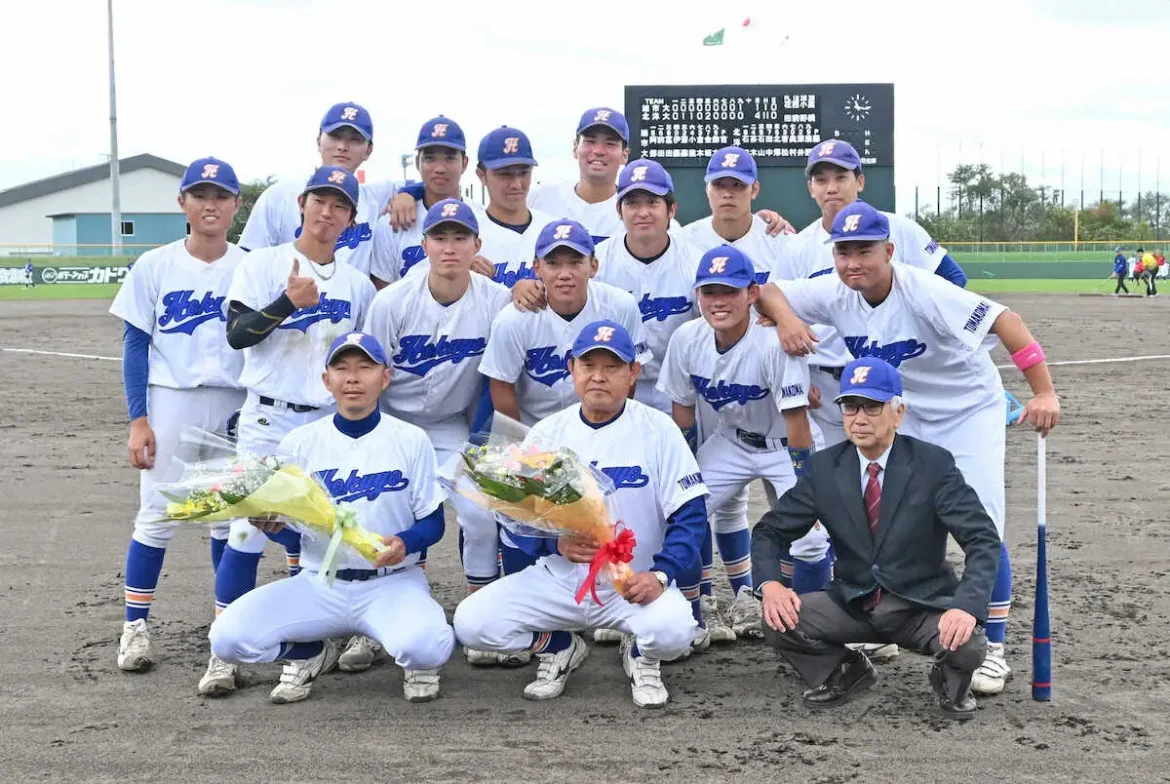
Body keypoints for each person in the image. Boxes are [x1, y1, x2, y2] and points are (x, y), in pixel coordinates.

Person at [757, 201, 1061, 696]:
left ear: (890, 250)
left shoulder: (924, 291)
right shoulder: (835, 291)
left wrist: (1043, 391)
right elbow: (766, 290)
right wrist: (788, 319)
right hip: (904, 411)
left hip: (966, 410)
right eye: (843, 251)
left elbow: (1008, 321)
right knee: (888, 508)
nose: (853, 261)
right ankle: (885, 611)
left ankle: (994, 649)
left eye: (864, 251)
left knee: (982, 518)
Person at [453, 321, 708, 708]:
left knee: (676, 631)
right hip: (563, 580)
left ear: (633, 373)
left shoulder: (659, 430)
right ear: (571, 369)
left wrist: (659, 575)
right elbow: (518, 520)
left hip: (631, 583)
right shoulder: (547, 432)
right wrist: (553, 540)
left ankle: (641, 654)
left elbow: (691, 515)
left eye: (613, 367)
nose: (599, 377)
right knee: (472, 623)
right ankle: (558, 647)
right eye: (588, 366)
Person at [208, 332, 454, 704]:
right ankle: (309, 654)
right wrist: (274, 529)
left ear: (384, 378)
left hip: (392, 582)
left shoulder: (411, 439)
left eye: (364, 368)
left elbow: (433, 523)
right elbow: (297, 537)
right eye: (341, 368)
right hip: (319, 583)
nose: (352, 378)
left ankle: (417, 662)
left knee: (425, 647)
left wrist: (404, 543)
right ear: (327, 381)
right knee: (227, 638)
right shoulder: (300, 443)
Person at [751, 356, 1002, 720]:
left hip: (921, 605)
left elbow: (983, 540)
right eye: (851, 406)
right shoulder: (824, 469)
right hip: (853, 603)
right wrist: (771, 584)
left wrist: (965, 605)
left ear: (898, 413)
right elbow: (770, 531)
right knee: (778, 619)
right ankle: (845, 670)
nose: (860, 417)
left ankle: (948, 680)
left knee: (967, 644)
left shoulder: (934, 465)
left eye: (872, 406)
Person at [212, 165, 377, 699]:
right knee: (247, 530)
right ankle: (223, 653)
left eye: (340, 205)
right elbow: (238, 335)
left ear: (351, 218)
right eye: (320, 201)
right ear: (302, 204)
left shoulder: (354, 283)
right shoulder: (261, 265)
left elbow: (364, 360)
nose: (328, 212)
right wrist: (286, 303)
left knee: (324, 533)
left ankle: (311, 646)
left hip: (326, 422)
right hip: (268, 417)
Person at [108, 157, 247, 676]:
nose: (210, 204)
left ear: (236, 205)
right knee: (157, 515)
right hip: (173, 398)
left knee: (227, 520)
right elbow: (134, 345)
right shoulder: (155, 265)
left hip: (234, 402)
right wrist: (138, 419)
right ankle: (135, 627)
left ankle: (224, 639)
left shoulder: (249, 265)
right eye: (200, 194)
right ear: (183, 203)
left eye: (221, 195)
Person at [363, 199, 513, 664]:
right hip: (392, 421)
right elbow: (369, 374)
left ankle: (478, 611)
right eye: (440, 237)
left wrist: (482, 449)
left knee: (479, 511)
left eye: (460, 237)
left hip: (452, 425)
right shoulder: (392, 302)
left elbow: (499, 377)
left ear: (477, 245)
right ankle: (371, 619)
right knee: (380, 514)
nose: (450, 247)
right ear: (424, 244)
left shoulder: (496, 300)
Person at [657, 246, 830, 644]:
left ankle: (811, 627)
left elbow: (798, 421)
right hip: (731, 443)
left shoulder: (773, 342)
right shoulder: (687, 339)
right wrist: (683, 474)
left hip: (788, 446)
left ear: (752, 294)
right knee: (680, 511)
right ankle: (691, 615)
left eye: (730, 291)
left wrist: (809, 493)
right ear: (698, 295)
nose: (719, 301)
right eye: (710, 291)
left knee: (809, 537)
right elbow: (682, 412)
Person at [785, 139, 967, 450]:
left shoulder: (900, 229)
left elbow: (952, 280)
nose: (831, 188)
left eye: (841, 177)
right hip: (826, 385)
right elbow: (774, 305)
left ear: (860, 182)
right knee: (841, 483)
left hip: (890, 377)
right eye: (821, 180)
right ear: (811, 189)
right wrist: (797, 379)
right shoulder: (797, 247)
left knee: (900, 476)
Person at [480, 219, 648, 427]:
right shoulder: (513, 318)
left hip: (602, 422)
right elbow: (501, 383)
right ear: (537, 268)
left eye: (575, 262)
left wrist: (609, 430)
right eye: (553, 263)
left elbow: (628, 376)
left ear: (593, 266)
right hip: (535, 428)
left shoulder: (620, 306)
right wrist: (521, 447)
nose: (564, 274)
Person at [237, 102, 396, 276]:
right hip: (286, 298)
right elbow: (249, 261)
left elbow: (426, 187)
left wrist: (408, 194)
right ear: (319, 141)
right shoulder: (279, 195)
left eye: (355, 139)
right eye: (335, 136)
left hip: (348, 301)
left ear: (369, 150)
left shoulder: (377, 196)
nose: (342, 146)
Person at [370, 116, 470, 286]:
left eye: (450, 158)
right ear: (417, 162)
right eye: (430, 158)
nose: (439, 168)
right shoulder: (392, 223)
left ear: (465, 163)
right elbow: (382, 294)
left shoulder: (480, 218)